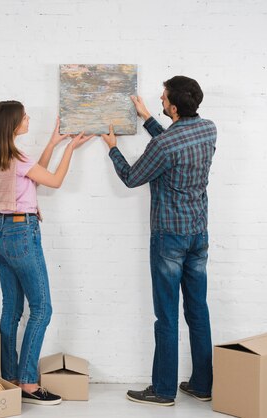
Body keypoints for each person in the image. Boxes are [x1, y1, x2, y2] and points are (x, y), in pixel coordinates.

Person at [101, 76, 217, 406]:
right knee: (198, 310)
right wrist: (148, 117)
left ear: (175, 107)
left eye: (163, 99)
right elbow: (175, 145)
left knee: (166, 316)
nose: (161, 100)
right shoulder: (209, 129)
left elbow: (132, 177)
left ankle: (164, 390)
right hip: (199, 234)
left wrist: (113, 149)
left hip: (170, 238)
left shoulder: (164, 146)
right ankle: (202, 384)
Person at [0, 100, 92, 406]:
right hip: (22, 236)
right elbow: (53, 180)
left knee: (12, 310)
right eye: (24, 116)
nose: (28, 118)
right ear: (12, 124)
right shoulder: (16, 157)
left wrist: (54, 142)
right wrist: (71, 149)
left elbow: (34, 173)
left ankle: (10, 378)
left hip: (1, 234)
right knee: (42, 308)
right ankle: (29, 383)